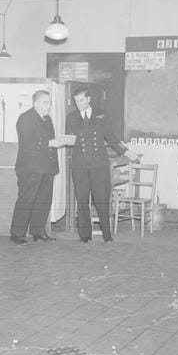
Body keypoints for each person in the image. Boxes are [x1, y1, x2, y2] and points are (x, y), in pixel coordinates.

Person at [66, 87, 138, 243]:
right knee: (82, 200)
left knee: (101, 199)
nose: (79, 104)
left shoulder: (101, 115)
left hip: (99, 164)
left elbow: (111, 138)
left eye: (82, 100)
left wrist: (126, 152)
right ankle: (84, 236)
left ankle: (107, 234)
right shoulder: (71, 117)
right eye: (76, 101)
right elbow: (70, 138)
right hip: (80, 165)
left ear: (89, 99)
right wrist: (63, 140)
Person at [9, 90, 62, 245]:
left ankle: (38, 231)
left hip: (46, 167)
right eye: (46, 103)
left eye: (50, 103)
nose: (49, 106)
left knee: (43, 201)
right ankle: (17, 233)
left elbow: (49, 141)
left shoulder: (47, 119)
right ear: (35, 103)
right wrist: (51, 143)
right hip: (30, 168)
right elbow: (29, 143)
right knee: (27, 200)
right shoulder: (25, 118)